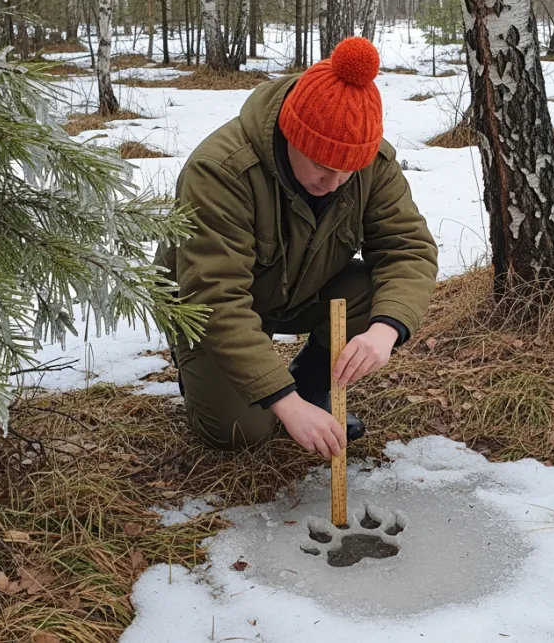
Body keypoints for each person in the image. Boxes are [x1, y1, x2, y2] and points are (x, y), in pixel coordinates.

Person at [154, 37, 438, 459]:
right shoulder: (220, 171)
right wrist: (282, 403)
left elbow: (408, 249)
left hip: (296, 288)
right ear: (291, 134)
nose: (335, 182)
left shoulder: (370, 164)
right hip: (207, 311)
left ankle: (310, 384)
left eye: (349, 170)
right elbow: (215, 298)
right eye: (322, 166)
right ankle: (203, 371)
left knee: (369, 293)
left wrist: (385, 329)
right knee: (240, 432)